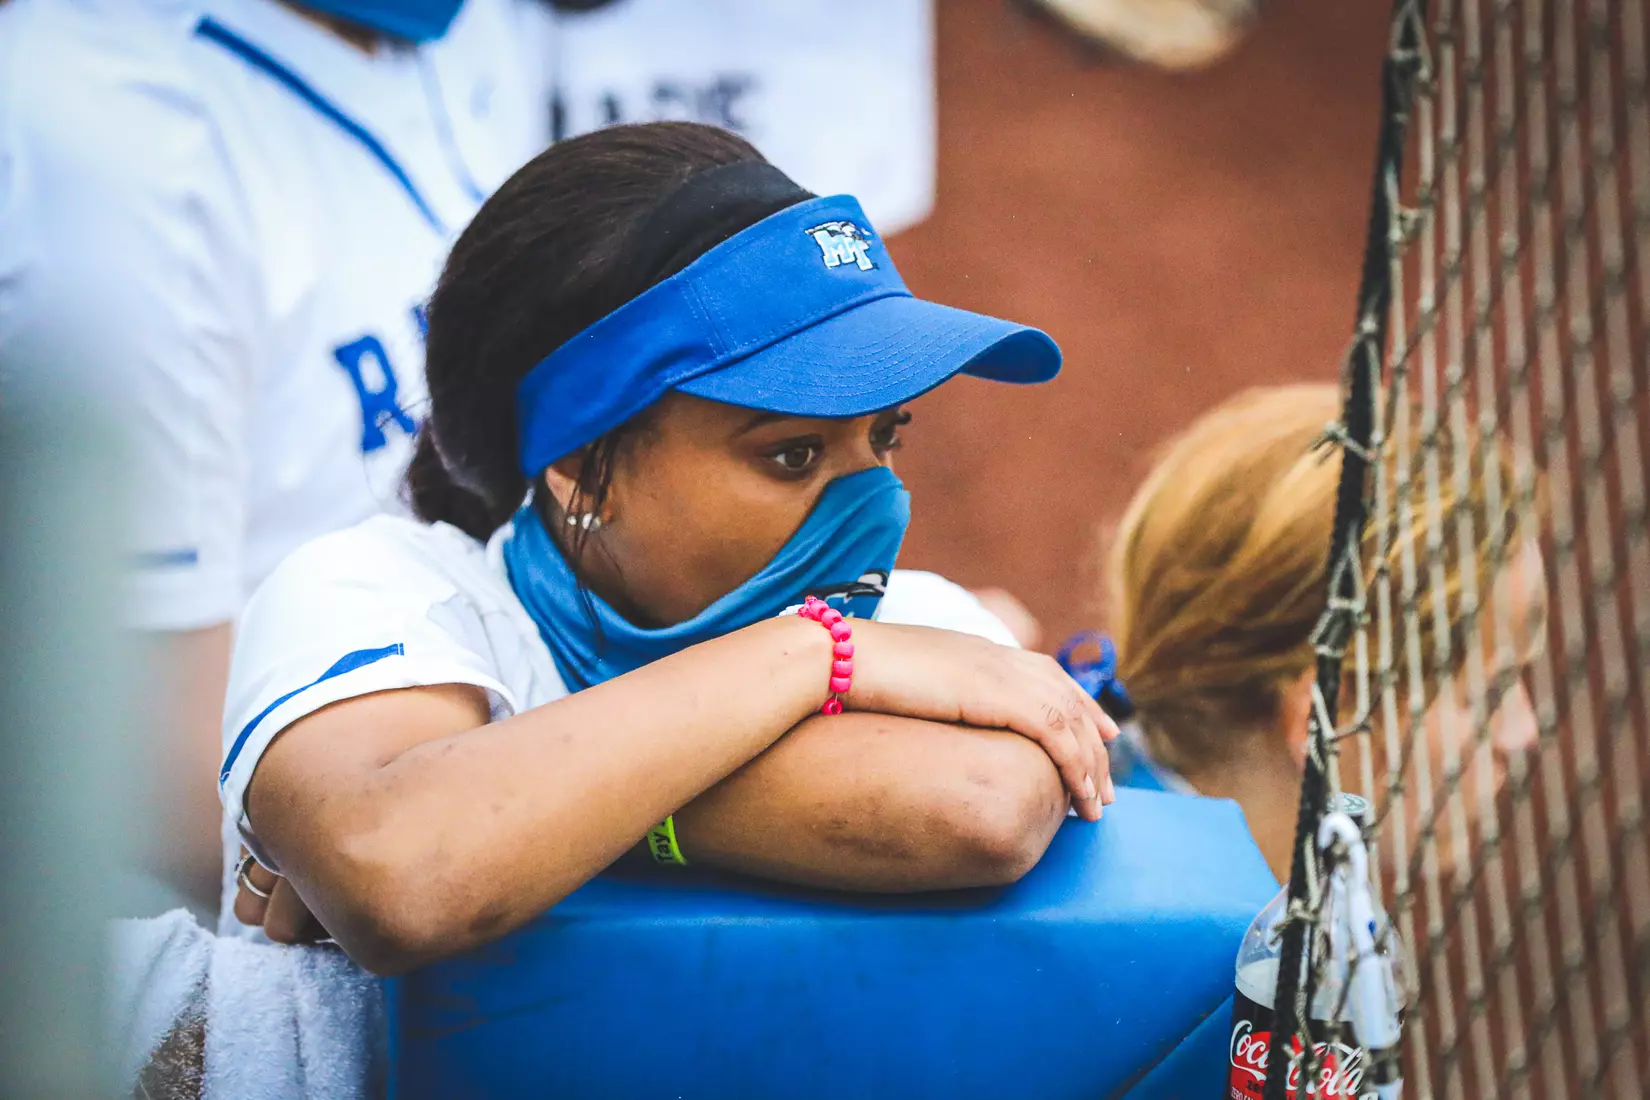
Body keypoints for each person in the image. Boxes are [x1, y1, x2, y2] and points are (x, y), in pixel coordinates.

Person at [224, 122, 1117, 971]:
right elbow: (404, 871)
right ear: (580, 464)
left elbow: (975, 806)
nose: (876, 502)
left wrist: (517, 823)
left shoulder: (924, 624)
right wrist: (813, 654)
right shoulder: (381, 590)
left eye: (886, 437)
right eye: (793, 453)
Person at [0, 0, 550, 910]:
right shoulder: (101, 125)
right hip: (228, 960)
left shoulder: (474, 23)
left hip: (480, 773)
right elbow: (155, 765)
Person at [1062, 384, 1545, 884]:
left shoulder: (1127, 836)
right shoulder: (1214, 950)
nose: (1524, 732)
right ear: (1326, 722)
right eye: (1487, 692)